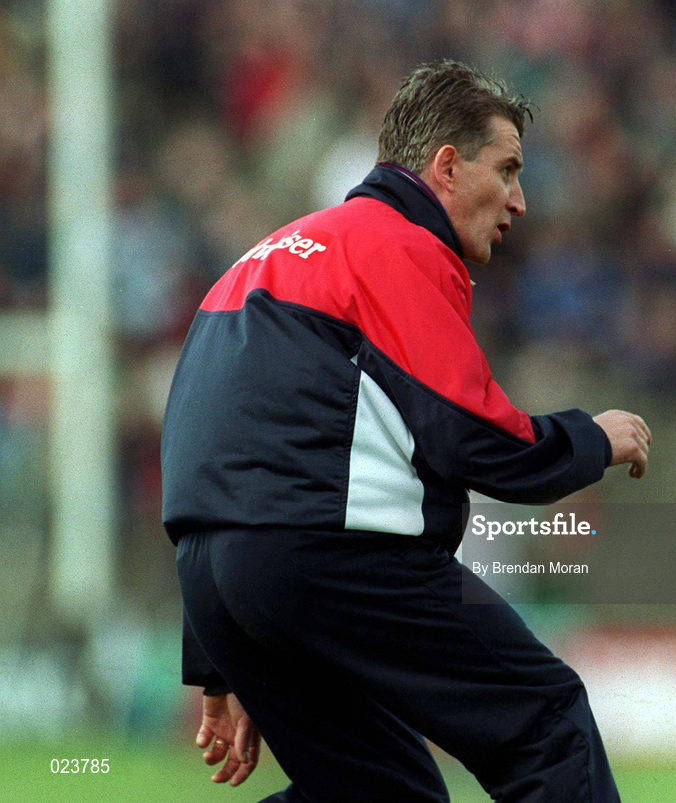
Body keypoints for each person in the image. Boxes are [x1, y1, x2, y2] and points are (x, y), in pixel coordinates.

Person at [162, 59, 651, 803]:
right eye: (509, 169)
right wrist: (592, 438)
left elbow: (205, 452)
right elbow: (470, 434)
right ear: (446, 167)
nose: (521, 200)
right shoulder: (394, 246)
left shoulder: (263, 257)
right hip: (332, 557)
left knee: (380, 793)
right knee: (546, 720)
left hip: (221, 573)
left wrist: (220, 651)